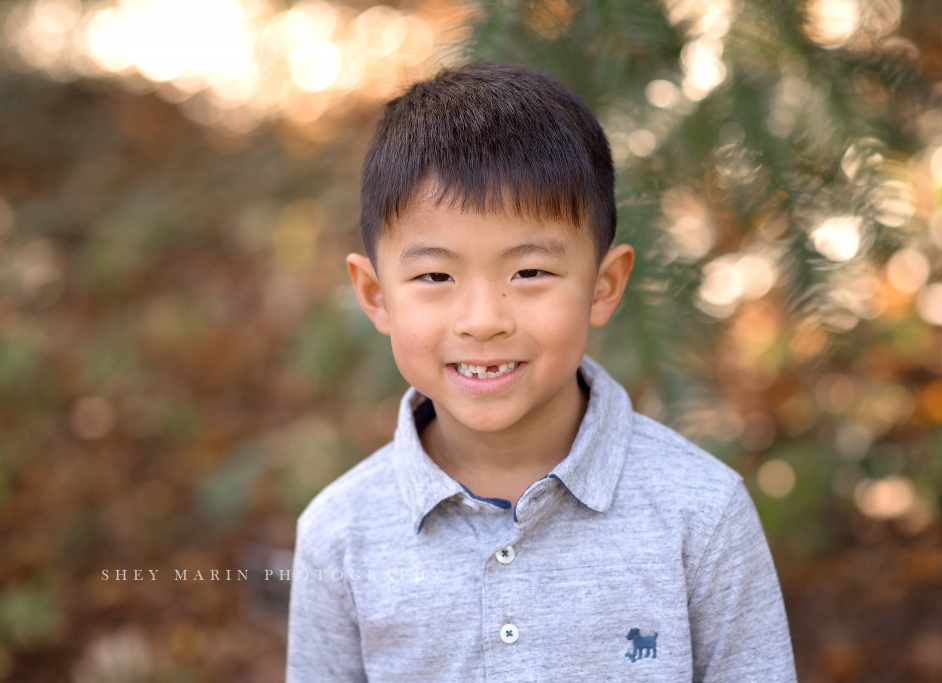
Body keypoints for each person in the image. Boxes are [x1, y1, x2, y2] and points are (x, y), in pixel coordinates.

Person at [285, 62, 797, 682]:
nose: (482, 320)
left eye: (528, 272)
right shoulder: (339, 535)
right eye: (435, 276)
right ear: (375, 295)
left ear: (603, 287)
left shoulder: (701, 514)